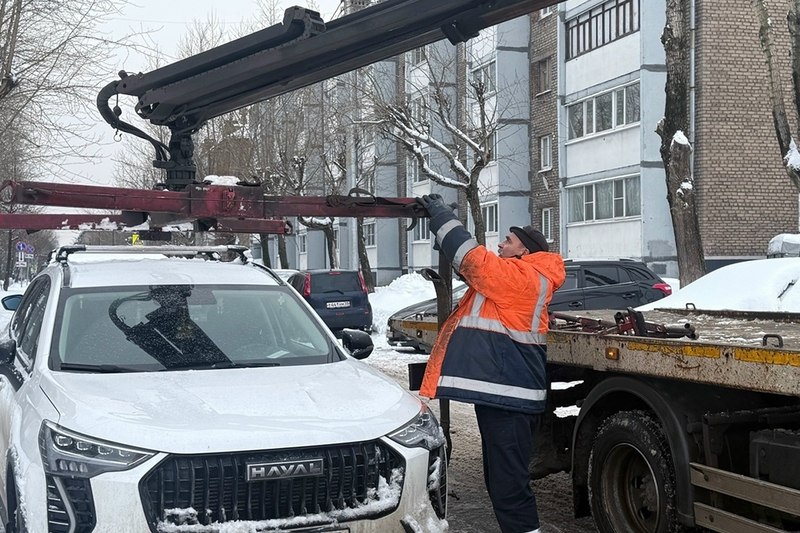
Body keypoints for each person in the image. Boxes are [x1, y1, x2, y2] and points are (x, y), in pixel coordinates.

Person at [416, 193, 566, 533]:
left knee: (509, 487)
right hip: (504, 396)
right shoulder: (518, 277)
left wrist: (441, 216)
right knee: (501, 482)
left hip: (510, 397)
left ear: (524, 251)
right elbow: (472, 270)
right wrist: (444, 239)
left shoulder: (522, 277)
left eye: (508, 241)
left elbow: (473, 260)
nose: (501, 244)